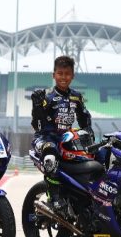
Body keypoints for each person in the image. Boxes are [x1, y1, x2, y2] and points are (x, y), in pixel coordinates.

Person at [31, 55, 93, 213]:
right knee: (50, 157)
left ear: (73, 76)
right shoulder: (47, 97)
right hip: (45, 139)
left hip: (66, 139)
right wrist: (37, 107)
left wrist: (88, 135)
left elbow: (84, 119)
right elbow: (37, 126)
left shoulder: (76, 96)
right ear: (54, 75)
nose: (63, 77)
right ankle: (54, 199)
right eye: (60, 73)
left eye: (67, 74)